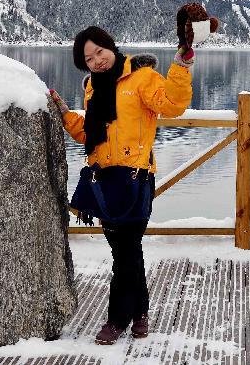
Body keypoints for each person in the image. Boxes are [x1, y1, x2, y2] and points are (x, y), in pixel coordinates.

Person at [48, 25, 195, 345]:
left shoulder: (141, 77)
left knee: (124, 254)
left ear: (111, 46)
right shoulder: (92, 89)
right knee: (129, 252)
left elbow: (172, 104)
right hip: (104, 182)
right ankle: (140, 313)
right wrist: (65, 115)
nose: (97, 60)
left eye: (100, 52)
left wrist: (182, 64)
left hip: (135, 180)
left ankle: (117, 319)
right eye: (89, 58)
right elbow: (91, 137)